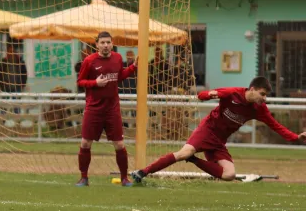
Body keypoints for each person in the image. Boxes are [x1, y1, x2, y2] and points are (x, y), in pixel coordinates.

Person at [131, 76, 306, 183]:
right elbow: (201, 96)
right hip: (207, 130)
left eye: (267, 95)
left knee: (229, 175)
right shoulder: (232, 93)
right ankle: (143, 172)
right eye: (262, 94)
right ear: (252, 89)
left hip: (219, 142)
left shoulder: (260, 110)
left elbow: (276, 126)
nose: (264, 98)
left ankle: (194, 160)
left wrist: (296, 137)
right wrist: (210, 95)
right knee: (182, 153)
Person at [75, 31, 137, 187]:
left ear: (112, 43)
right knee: (85, 143)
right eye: (102, 42)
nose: (105, 45)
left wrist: (133, 67)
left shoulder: (117, 58)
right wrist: (95, 83)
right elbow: (80, 81)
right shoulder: (89, 61)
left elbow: (120, 76)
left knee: (120, 145)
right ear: (97, 44)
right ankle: (84, 178)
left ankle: (124, 178)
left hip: (112, 108)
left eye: (108, 42)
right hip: (94, 108)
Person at [0, 43, 28, 114]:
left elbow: (24, 74)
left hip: (17, 86)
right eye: (9, 51)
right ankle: (2, 120)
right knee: (4, 105)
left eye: (12, 51)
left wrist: (23, 84)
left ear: (15, 52)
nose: (11, 52)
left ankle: (17, 121)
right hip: (5, 86)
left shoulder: (20, 61)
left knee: (16, 105)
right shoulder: (4, 61)